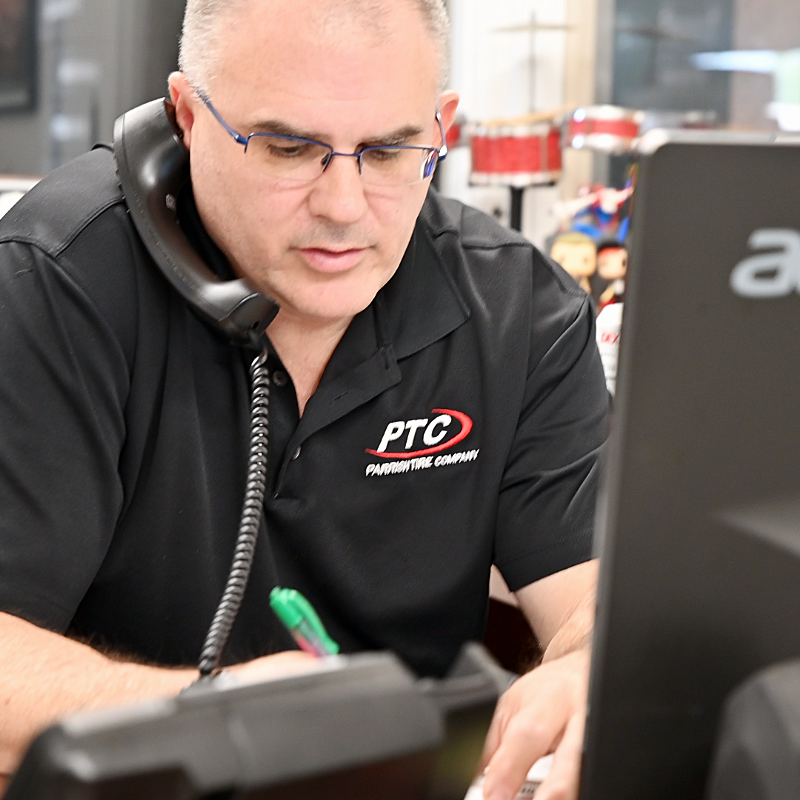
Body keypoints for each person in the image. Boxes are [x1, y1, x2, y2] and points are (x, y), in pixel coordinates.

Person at [0, 1, 609, 799]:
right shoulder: (55, 279)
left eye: (389, 152)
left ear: (442, 128)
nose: (344, 207)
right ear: (188, 118)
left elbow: (599, 594)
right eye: (290, 148)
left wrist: (593, 668)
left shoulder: (519, 309)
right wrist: (217, 718)